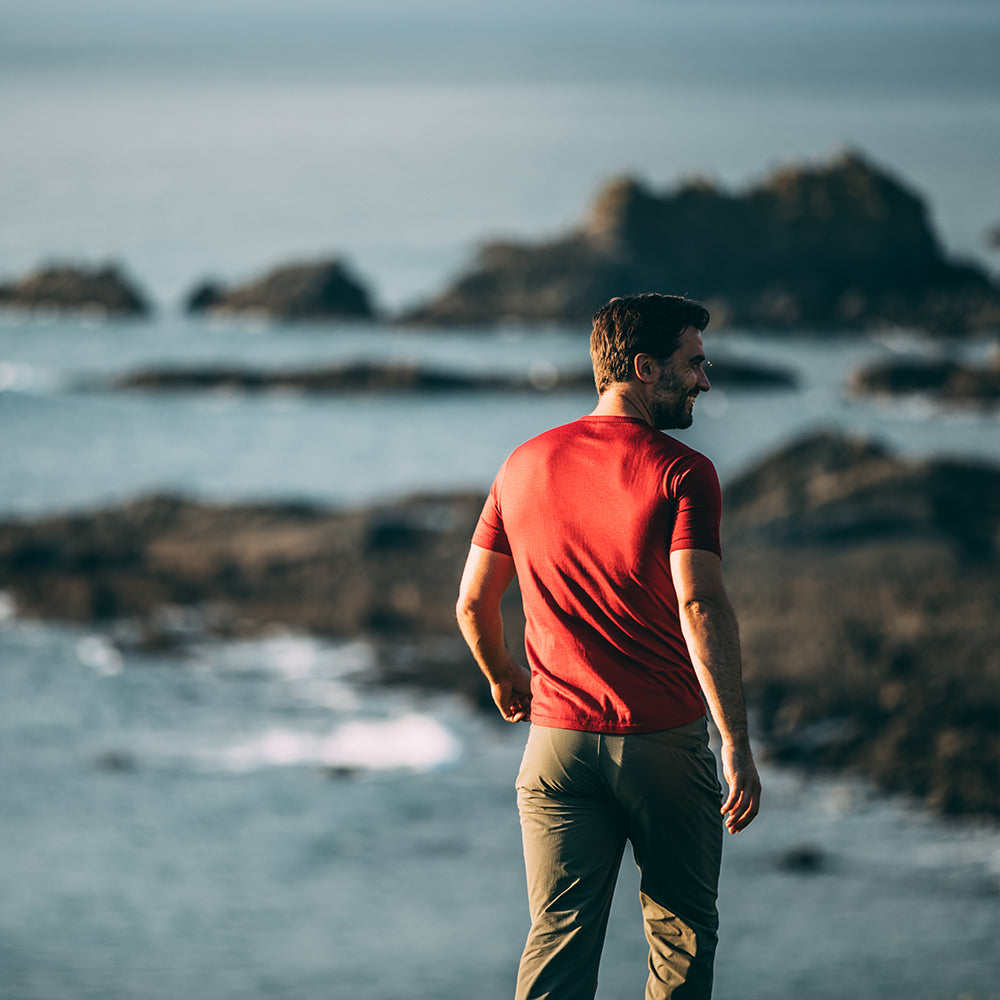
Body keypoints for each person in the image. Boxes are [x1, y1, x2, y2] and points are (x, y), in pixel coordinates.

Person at [455, 293, 762, 1000]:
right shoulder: (683, 472)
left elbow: (473, 602)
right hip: (659, 741)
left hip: (555, 746)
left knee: (557, 942)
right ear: (643, 367)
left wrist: (504, 678)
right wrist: (736, 742)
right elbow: (699, 602)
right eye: (692, 364)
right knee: (681, 940)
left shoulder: (522, 464)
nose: (705, 381)